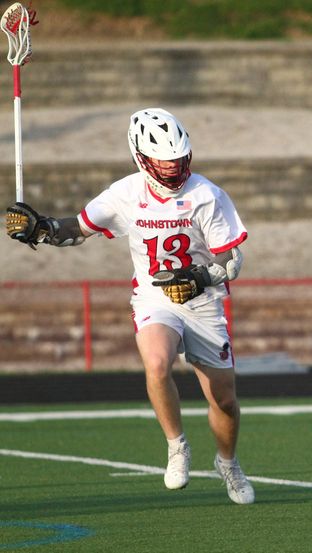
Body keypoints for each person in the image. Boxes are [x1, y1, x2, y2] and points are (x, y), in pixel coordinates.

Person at [5, 108, 255, 505]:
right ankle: (177, 446)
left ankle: (229, 462)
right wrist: (43, 228)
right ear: (141, 157)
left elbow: (232, 261)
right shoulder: (125, 193)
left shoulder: (207, 195)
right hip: (155, 297)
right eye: (164, 161)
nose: (173, 169)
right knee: (156, 363)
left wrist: (200, 277)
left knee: (223, 399)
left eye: (178, 159)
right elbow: (78, 229)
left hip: (204, 302)